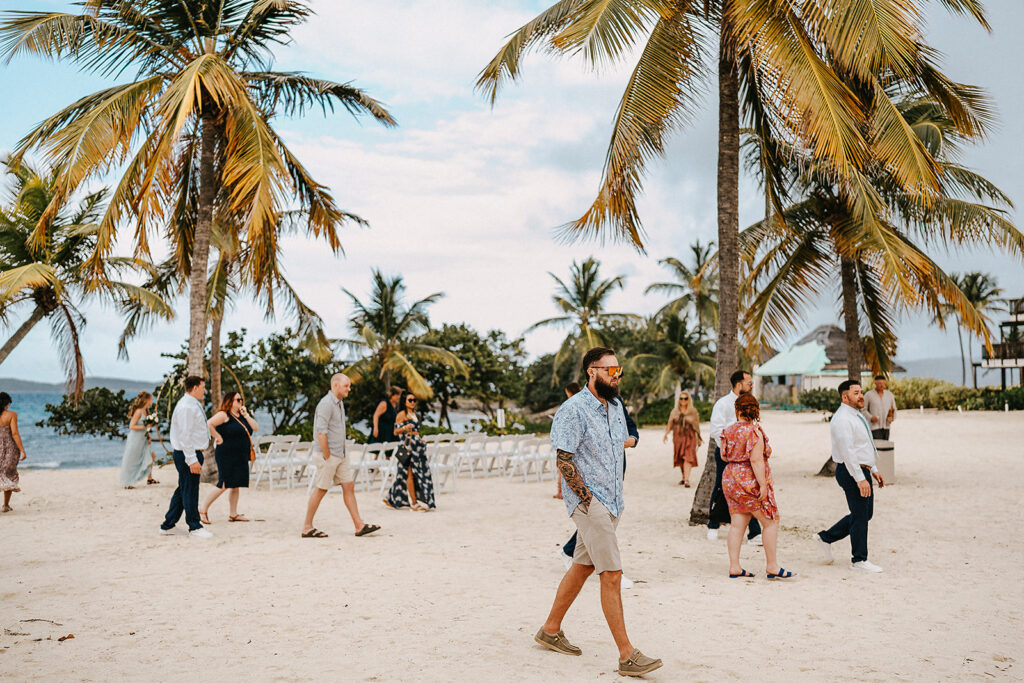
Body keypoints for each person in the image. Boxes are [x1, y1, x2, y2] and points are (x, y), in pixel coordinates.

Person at [535, 347, 662, 678]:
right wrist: (588, 501)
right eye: (611, 370)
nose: (617, 376)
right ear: (592, 372)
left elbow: (617, 447)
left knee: (581, 567)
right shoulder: (573, 410)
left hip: (614, 502)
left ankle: (550, 630)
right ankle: (627, 655)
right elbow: (564, 459)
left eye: (618, 370)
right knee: (612, 573)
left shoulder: (617, 406)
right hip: (591, 504)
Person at [720, 394, 794, 579]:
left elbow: (723, 455)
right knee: (770, 521)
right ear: (755, 411)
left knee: (737, 524)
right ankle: (772, 566)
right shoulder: (754, 432)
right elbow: (756, 460)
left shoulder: (727, 431)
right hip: (748, 480)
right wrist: (763, 485)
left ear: (737, 410)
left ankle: (735, 566)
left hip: (730, 478)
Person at [815, 379, 886, 572]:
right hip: (850, 470)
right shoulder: (842, 420)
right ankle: (859, 560)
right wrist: (860, 478)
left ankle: (825, 537)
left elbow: (862, 447)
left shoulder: (856, 415)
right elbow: (848, 453)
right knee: (861, 515)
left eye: (861, 392)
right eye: (856, 393)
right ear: (844, 397)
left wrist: (873, 469)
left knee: (864, 514)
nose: (861, 395)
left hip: (861, 469)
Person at [301, 373, 380, 538]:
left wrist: (340, 453)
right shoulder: (326, 404)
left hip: (341, 453)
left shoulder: (339, 403)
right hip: (328, 455)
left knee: (348, 486)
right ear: (335, 385)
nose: (349, 389)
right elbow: (320, 433)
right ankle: (307, 527)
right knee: (321, 489)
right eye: (347, 386)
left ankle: (359, 525)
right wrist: (328, 456)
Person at [706, 370, 761, 544]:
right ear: (739, 384)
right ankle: (713, 525)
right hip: (726, 454)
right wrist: (735, 434)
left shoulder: (752, 402)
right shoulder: (722, 403)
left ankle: (754, 532)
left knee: (749, 490)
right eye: (749, 383)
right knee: (721, 488)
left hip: (747, 455)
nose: (751, 386)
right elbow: (715, 430)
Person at [160, 376, 212, 538]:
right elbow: (185, 436)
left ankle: (168, 525)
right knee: (190, 489)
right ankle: (194, 526)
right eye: (203, 387)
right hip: (188, 454)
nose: (205, 390)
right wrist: (192, 459)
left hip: (192, 453)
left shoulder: (191, 404)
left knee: (183, 489)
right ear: (195, 388)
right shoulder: (186, 407)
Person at [199, 391, 258, 524]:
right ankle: (202, 509)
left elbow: (255, 427)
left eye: (241, 400)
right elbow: (208, 424)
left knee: (235, 484)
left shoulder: (242, 416)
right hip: (226, 454)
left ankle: (233, 514)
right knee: (223, 484)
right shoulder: (224, 415)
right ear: (230, 401)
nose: (240, 402)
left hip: (240, 454)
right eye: (238, 400)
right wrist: (218, 437)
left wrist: (247, 415)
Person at [382, 391, 436, 511]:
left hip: (417, 447)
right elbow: (395, 432)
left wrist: (420, 438)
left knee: (407, 474)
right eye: (410, 400)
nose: (413, 402)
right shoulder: (402, 414)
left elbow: (415, 431)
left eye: (414, 400)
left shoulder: (413, 413)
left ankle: (392, 498)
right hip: (408, 447)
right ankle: (414, 503)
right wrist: (405, 428)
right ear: (404, 402)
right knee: (410, 473)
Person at [120, 392, 157, 489]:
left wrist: (148, 436)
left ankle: (149, 478)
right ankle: (127, 483)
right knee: (132, 461)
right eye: (151, 399)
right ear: (146, 400)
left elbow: (146, 427)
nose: (152, 401)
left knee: (151, 456)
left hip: (143, 438)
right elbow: (131, 426)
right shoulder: (139, 411)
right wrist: (145, 426)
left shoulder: (146, 411)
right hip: (135, 439)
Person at [664, 392, 701, 487]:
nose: (683, 400)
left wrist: (699, 438)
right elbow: (670, 423)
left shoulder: (693, 411)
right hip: (678, 436)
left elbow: (696, 425)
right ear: (679, 400)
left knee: (688, 456)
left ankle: (687, 480)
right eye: (681, 398)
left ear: (689, 400)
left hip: (690, 436)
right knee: (680, 457)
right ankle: (684, 477)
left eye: (685, 398)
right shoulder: (675, 411)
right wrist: (666, 434)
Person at [554, 382, 582, 499]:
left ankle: (560, 492)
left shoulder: (568, 405)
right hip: (580, 440)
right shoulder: (583, 403)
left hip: (567, 440)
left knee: (563, 465)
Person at [0, 393, 27, 513]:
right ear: (7, 403)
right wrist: (22, 450)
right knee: (9, 474)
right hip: (9, 448)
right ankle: (5, 505)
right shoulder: (11, 414)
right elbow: (15, 434)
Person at [862, 375, 896, 440]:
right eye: (880, 383)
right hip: (874, 428)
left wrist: (892, 418)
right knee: (876, 448)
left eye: (883, 383)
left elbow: (894, 409)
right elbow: (863, 410)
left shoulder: (889, 395)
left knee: (885, 448)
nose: (882, 385)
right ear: (875, 383)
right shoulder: (868, 395)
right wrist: (871, 417)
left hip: (886, 427)